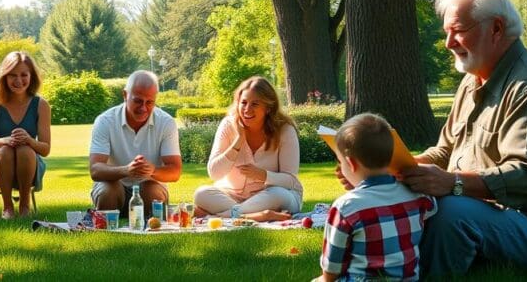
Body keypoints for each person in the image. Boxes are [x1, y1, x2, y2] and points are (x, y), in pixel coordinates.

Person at [401, 0, 527, 277]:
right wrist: (398, 168)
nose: (448, 43)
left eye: (457, 31)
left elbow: (526, 176)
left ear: (495, 28)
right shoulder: (472, 81)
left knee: (452, 213)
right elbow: (445, 151)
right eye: (447, 33)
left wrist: (452, 183)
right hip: (492, 215)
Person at [315, 113, 436, 281]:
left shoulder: (346, 207)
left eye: (340, 162)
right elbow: (432, 208)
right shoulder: (418, 197)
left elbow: (332, 266)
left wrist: (324, 279)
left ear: (350, 163)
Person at [193, 76, 302, 222]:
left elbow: (291, 181)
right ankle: (258, 215)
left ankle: (219, 216)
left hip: (271, 195)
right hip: (232, 195)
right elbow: (214, 173)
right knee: (201, 194)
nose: (247, 109)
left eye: (255, 104)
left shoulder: (285, 130)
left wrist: (263, 175)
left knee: (278, 195)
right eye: (243, 103)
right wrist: (238, 141)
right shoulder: (228, 125)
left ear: (268, 108)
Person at [89, 70, 181, 217]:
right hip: (115, 185)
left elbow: (175, 171)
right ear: (125, 95)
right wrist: (126, 170)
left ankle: (152, 230)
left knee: (152, 191)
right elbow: (95, 169)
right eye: (138, 101)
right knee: (107, 191)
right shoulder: (105, 121)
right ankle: (106, 234)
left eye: (149, 102)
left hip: (149, 186)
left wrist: (151, 171)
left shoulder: (166, 122)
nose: (143, 108)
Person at [0, 51, 51, 219]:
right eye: (12, 75)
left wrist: (28, 140)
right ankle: (7, 208)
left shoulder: (41, 105)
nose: (18, 81)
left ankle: (25, 206)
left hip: (28, 164)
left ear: (31, 76)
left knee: (25, 150)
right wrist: (7, 140)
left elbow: (45, 149)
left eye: (23, 75)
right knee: (5, 151)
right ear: (4, 76)